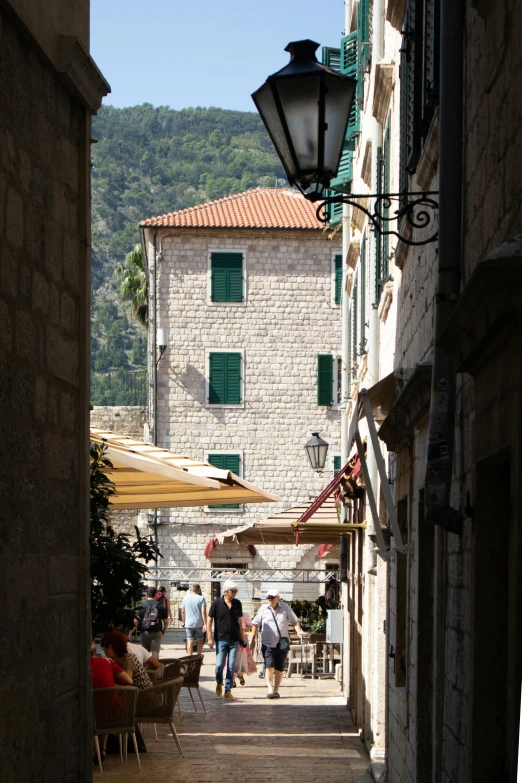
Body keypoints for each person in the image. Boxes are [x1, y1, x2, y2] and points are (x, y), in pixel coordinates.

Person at [250, 589, 306, 699]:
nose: (270, 600)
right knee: (269, 666)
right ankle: (270, 689)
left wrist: (299, 631)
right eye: (268, 598)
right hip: (267, 643)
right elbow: (255, 624)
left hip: (282, 642)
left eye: (272, 597)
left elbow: (294, 621)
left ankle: (276, 689)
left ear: (278, 597)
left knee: (279, 667)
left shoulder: (285, 607)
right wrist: (252, 639)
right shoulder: (263, 609)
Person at [207, 580, 244, 699]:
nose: (235, 594)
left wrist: (242, 637)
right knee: (219, 665)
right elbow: (209, 620)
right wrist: (210, 638)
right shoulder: (217, 603)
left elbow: (239, 621)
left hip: (234, 639)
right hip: (221, 639)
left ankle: (228, 689)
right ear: (226, 591)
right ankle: (219, 682)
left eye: (236, 591)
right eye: (233, 591)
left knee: (231, 666)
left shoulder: (237, 603)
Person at [134, 585, 168, 659]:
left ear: (146, 594)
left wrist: (131, 632)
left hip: (145, 632)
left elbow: (136, 620)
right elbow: (166, 621)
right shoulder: (160, 605)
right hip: (157, 631)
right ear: (156, 594)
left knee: (144, 653)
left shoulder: (142, 605)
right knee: (155, 653)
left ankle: (145, 669)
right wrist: (163, 631)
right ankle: (155, 669)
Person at [182, 583, 208, 655]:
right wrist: (205, 623)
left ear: (191, 590)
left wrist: (183, 622)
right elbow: (203, 612)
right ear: (199, 590)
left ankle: (190, 657)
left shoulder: (185, 598)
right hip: (199, 623)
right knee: (201, 639)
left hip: (188, 623)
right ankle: (198, 655)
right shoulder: (201, 598)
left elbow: (183, 611)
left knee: (189, 640)